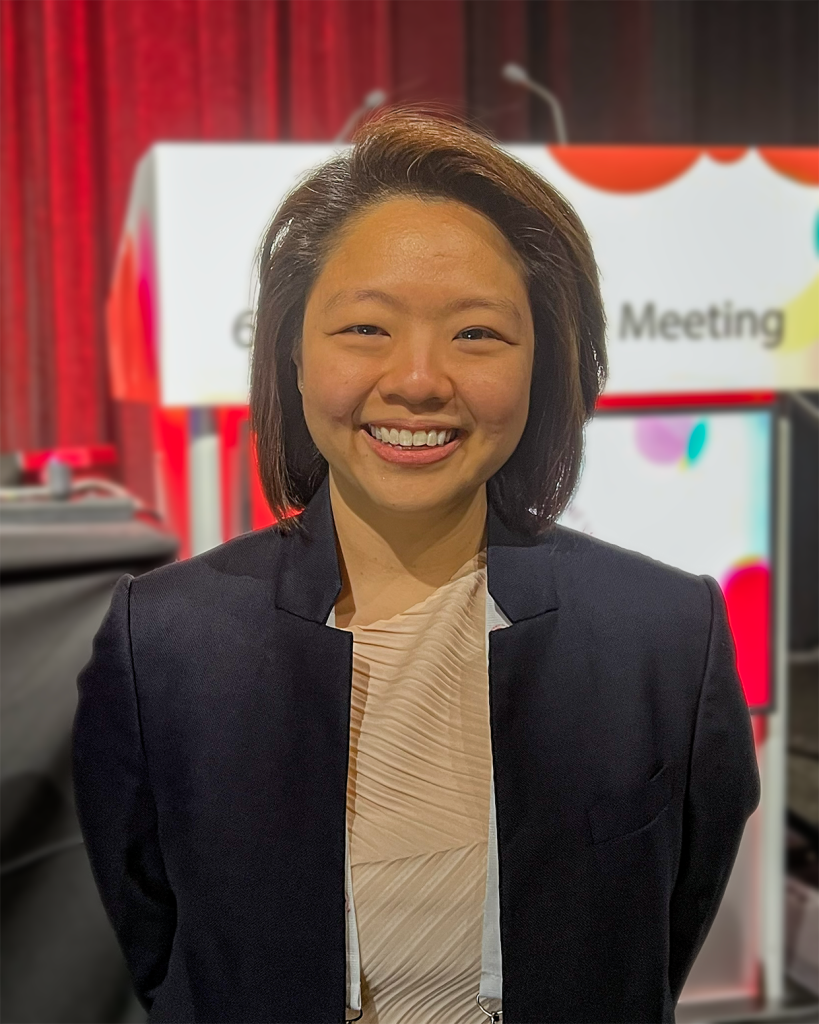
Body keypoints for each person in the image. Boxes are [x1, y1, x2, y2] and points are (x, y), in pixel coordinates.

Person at [73, 109, 760, 1024]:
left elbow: (656, 935)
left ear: (543, 363)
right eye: (366, 328)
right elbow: (156, 945)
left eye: (476, 334)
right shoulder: (164, 642)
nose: (419, 380)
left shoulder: (664, 635)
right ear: (292, 352)